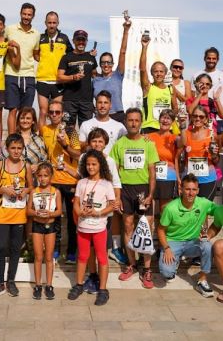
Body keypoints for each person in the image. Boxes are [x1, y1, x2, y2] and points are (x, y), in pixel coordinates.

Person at [109, 108, 158, 288]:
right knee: (128, 226)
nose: (133, 123)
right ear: (126, 122)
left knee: (146, 228)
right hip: (126, 189)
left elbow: (152, 172)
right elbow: (114, 173)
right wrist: (118, 196)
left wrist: (151, 194)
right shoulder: (119, 144)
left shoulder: (148, 144)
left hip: (144, 189)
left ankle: (147, 269)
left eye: (137, 120)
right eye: (130, 120)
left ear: (141, 122)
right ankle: (131, 265)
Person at [0, 134, 33, 300]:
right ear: (7, 149)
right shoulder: (0, 165)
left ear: (23, 149)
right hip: (2, 213)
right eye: (13, 148)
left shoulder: (26, 165)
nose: (16, 151)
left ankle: (11, 281)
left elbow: (30, 186)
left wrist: (24, 192)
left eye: (19, 148)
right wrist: (4, 190)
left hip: (19, 213)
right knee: (0, 247)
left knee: (15, 248)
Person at [67, 149, 116, 306]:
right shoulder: (81, 182)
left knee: (102, 258)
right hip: (83, 227)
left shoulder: (107, 184)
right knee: (82, 256)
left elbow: (112, 205)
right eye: (88, 164)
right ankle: (79, 284)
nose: (90, 167)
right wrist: (79, 211)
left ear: (100, 165)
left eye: (94, 164)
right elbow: (76, 202)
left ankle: (102, 289)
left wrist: (98, 213)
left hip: (99, 228)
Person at [77, 128, 123, 294]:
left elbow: (115, 182)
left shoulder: (109, 161)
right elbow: (79, 178)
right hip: (85, 211)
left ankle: (102, 283)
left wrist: (116, 201)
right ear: (89, 143)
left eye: (100, 141)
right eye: (94, 141)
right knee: (87, 249)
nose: (97, 144)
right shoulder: (84, 158)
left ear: (105, 144)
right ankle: (92, 275)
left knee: (100, 248)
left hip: (103, 210)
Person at [157, 174, 215, 297]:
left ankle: (202, 280)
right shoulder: (171, 208)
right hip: (173, 242)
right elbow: (161, 230)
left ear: (198, 191)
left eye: (194, 189)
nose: (190, 193)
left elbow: (222, 211)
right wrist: (166, 248)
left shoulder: (203, 203)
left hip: (193, 242)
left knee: (207, 245)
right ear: (181, 190)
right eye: (187, 189)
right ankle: (175, 259)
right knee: (167, 273)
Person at [41, 100, 81, 263]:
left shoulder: (71, 130)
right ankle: (55, 250)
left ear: (62, 113)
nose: (55, 115)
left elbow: (77, 154)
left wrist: (64, 145)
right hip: (53, 181)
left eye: (58, 112)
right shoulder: (45, 130)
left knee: (72, 220)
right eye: (52, 112)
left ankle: (71, 251)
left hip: (71, 180)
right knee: (53, 218)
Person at [27, 162, 62, 300]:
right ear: (36, 177)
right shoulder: (34, 192)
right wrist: (36, 213)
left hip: (51, 226)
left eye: (45, 176)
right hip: (37, 226)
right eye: (40, 176)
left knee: (48, 257)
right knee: (38, 256)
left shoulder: (56, 192)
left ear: (51, 177)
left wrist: (50, 214)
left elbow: (59, 211)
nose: (42, 179)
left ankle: (49, 284)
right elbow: (28, 210)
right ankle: (37, 285)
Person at [4, 3, 40, 134]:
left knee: (25, 112)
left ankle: (24, 140)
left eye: (29, 14)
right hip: (11, 74)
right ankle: (11, 140)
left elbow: (37, 54)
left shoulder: (36, 34)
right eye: (24, 14)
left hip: (29, 75)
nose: (26, 17)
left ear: (33, 16)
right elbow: (0, 45)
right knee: (12, 110)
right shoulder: (9, 29)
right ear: (20, 13)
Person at [36, 11, 73, 128]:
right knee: (43, 112)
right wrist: (45, 63)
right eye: (49, 22)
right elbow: (35, 54)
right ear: (45, 23)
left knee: (57, 114)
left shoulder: (64, 38)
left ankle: (57, 141)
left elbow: (72, 55)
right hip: (43, 80)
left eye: (54, 23)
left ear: (58, 23)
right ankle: (41, 141)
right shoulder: (40, 38)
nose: (52, 25)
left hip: (59, 81)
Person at [177, 105, 220, 201]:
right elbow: (179, 150)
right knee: (189, 210)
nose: (198, 119)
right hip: (189, 181)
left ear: (206, 119)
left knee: (204, 211)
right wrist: (182, 125)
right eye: (195, 116)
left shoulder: (212, 135)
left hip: (207, 179)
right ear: (191, 118)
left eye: (201, 117)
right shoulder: (186, 133)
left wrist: (214, 155)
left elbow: (216, 160)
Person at [57, 30, 98, 127]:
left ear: (86, 41)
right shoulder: (66, 57)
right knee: (68, 129)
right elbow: (59, 77)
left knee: (86, 130)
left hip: (87, 101)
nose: (81, 42)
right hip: (69, 100)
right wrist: (73, 77)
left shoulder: (91, 57)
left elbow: (95, 75)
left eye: (83, 40)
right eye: (78, 40)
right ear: (73, 41)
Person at [93, 18, 130, 124]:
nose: (106, 65)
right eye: (103, 62)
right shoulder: (95, 79)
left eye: (109, 62)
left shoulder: (118, 75)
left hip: (118, 116)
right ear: (100, 65)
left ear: (113, 64)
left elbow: (122, 52)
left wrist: (126, 30)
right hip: (100, 117)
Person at [139, 33, 176, 133]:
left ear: (165, 73)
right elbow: (142, 70)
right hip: (150, 128)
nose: (158, 74)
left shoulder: (170, 89)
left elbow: (175, 109)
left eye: (161, 71)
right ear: (152, 73)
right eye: (156, 71)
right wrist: (144, 47)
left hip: (167, 129)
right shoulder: (148, 87)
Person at [149, 109, 181, 212]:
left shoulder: (174, 138)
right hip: (150, 176)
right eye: (163, 117)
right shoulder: (150, 136)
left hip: (168, 177)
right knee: (149, 211)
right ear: (159, 119)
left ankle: (162, 228)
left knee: (165, 211)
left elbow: (183, 142)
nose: (165, 120)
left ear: (172, 123)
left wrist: (183, 126)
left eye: (169, 119)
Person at [1, 107, 48, 174]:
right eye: (22, 118)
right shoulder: (12, 139)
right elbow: (2, 159)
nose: (25, 121)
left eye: (28, 118)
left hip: (34, 178)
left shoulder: (39, 140)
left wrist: (38, 166)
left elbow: (45, 160)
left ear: (33, 121)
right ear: (18, 121)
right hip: (14, 177)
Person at [79, 90, 127, 154]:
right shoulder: (85, 125)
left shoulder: (119, 126)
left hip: (111, 163)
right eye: (100, 102)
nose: (102, 106)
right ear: (95, 105)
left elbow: (128, 143)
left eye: (105, 103)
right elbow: (80, 148)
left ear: (110, 105)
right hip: (92, 163)